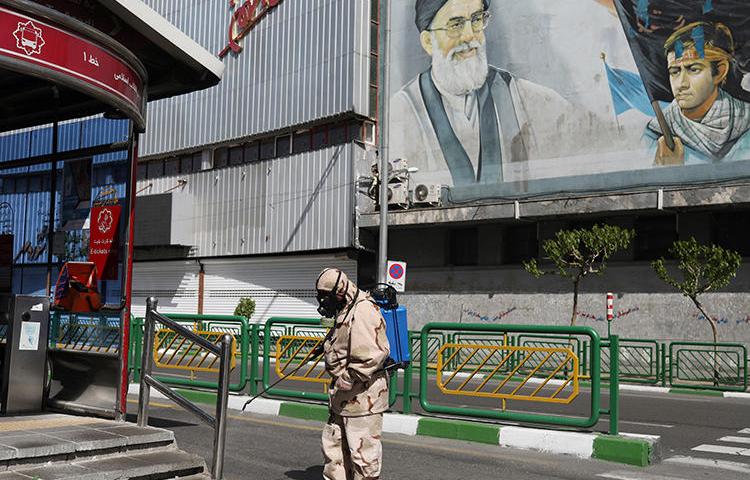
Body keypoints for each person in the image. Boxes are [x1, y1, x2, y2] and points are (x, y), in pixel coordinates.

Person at [390, 0, 580, 187]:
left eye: (476, 20)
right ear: (428, 42)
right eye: (455, 25)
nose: (469, 37)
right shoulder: (400, 113)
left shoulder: (530, 100)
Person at [315, 268, 390, 480]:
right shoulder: (346, 307)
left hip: (363, 399)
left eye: (325, 295)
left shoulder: (364, 310)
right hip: (343, 398)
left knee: (363, 459)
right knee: (334, 451)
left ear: (339, 291)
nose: (323, 300)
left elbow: (373, 355)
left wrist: (346, 379)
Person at [646, 21, 750, 165]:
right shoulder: (655, 134)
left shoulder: (746, 121)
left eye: (693, 69)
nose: (681, 84)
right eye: (674, 72)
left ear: (719, 72)